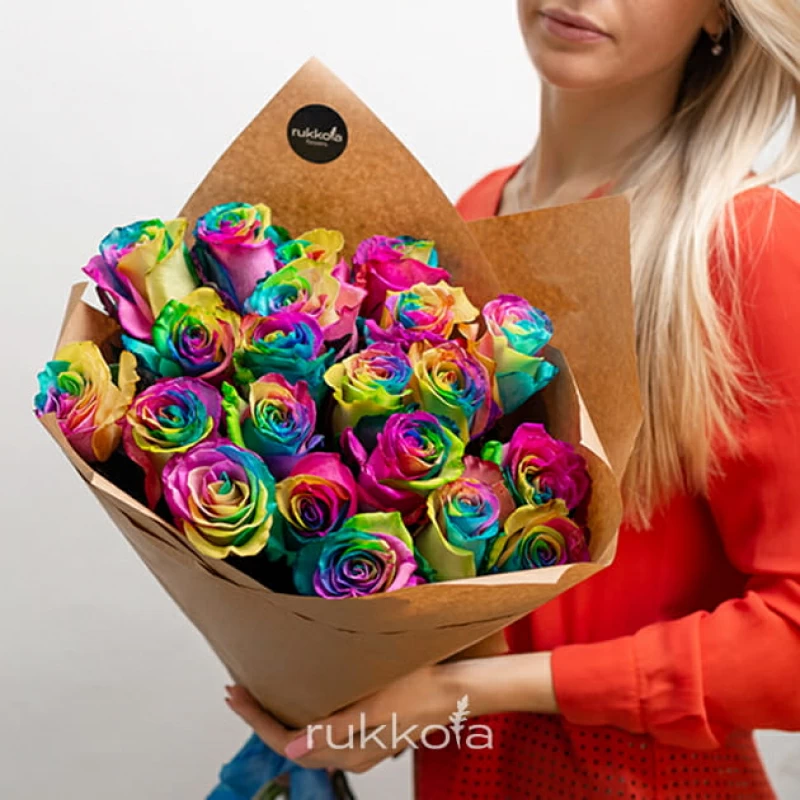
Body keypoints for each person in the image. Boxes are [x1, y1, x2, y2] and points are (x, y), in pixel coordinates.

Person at [225, 1, 800, 797]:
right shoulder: (472, 214)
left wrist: (465, 691)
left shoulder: (746, 247)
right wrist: (353, 696)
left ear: (717, 14)